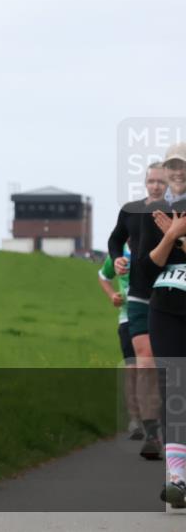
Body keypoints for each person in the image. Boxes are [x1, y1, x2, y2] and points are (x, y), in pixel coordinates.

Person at [108, 162, 168, 459]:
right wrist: (117, 258)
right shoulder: (130, 211)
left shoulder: (176, 212)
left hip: (171, 293)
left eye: (161, 181)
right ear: (145, 182)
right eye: (152, 181)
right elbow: (115, 239)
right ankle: (152, 432)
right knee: (145, 363)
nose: (156, 186)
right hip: (139, 294)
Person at [140, 143, 186, 508]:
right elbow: (150, 264)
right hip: (166, 305)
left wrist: (178, 235)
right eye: (173, 167)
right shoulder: (155, 213)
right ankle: (176, 479)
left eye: (183, 167)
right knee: (175, 387)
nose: (178, 173)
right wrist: (172, 235)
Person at [98, 244, 143, 439]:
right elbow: (103, 276)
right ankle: (135, 420)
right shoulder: (118, 254)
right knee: (132, 367)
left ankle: (155, 417)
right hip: (127, 317)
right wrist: (112, 296)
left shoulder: (152, 244)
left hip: (152, 314)